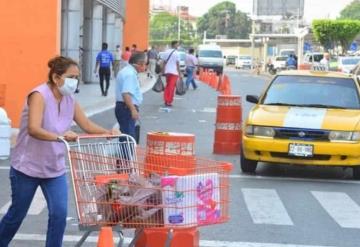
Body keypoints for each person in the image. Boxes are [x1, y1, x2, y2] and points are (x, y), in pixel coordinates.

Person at [0, 56, 118, 247]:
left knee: (60, 214)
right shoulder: (38, 95)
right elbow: (33, 128)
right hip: (27, 168)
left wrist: (108, 132)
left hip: (54, 168)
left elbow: (86, 124)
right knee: (16, 215)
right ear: (56, 77)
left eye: (77, 77)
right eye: (71, 77)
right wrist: (61, 137)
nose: (75, 82)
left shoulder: (69, 99)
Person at [115, 52, 146, 140]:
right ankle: (127, 154)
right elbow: (126, 93)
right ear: (140, 63)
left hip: (124, 107)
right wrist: (133, 109)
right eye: (145, 64)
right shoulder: (130, 74)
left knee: (126, 135)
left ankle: (125, 153)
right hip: (126, 108)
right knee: (128, 138)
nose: (146, 66)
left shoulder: (127, 71)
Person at [160, 40, 182, 107]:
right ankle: (168, 101)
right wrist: (180, 73)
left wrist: (162, 71)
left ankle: (166, 100)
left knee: (168, 86)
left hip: (167, 72)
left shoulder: (166, 52)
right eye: (177, 45)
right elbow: (177, 64)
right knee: (171, 87)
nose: (178, 46)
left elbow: (163, 62)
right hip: (174, 72)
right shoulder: (177, 53)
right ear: (174, 45)